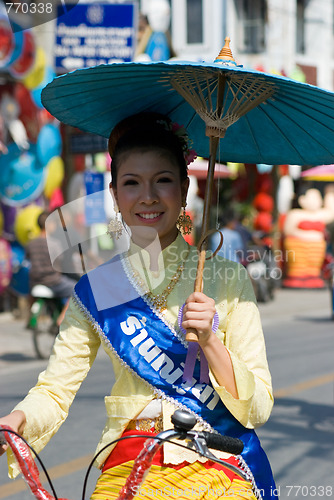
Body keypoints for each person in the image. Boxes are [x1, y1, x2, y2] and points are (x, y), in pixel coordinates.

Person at [0, 113, 276, 499]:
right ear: (115, 195)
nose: (147, 196)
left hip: (218, 463)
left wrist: (211, 343)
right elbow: (55, 390)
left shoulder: (226, 279)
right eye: (132, 183)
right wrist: (18, 420)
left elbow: (258, 407)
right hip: (130, 464)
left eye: (162, 181)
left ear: (183, 190)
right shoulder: (98, 288)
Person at [25, 210, 77, 324]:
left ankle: (30, 316)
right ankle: (62, 317)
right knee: (76, 289)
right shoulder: (54, 243)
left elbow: (28, 259)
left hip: (35, 281)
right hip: (53, 281)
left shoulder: (31, 243)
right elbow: (60, 262)